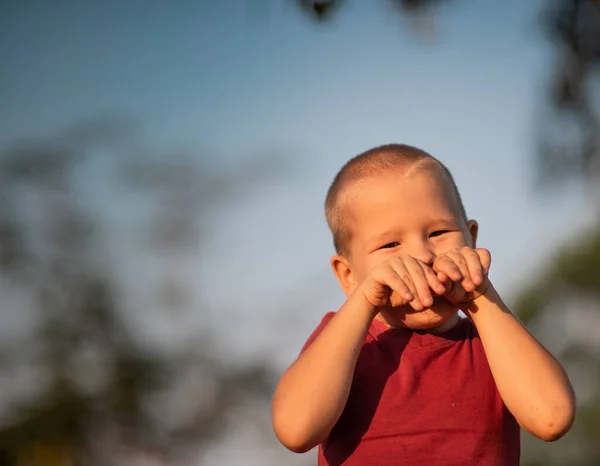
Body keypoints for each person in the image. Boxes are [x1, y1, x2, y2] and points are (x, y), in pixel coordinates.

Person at [271, 144, 576, 465]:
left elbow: (552, 419)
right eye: (390, 244)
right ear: (348, 275)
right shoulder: (344, 343)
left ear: (471, 240)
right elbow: (296, 431)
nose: (422, 256)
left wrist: (481, 296)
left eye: (439, 232)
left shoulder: (492, 342)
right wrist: (365, 299)